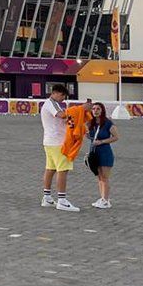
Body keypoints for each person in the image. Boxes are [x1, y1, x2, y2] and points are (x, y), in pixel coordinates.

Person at [41, 84, 79, 212]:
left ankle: (47, 197)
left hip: (49, 141)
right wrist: (79, 109)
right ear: (56, 93)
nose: (63, 99)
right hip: (58, 142)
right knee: (63, 170)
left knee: (50, 168)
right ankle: (62, 200)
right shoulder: (52, 104)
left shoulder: (48, 104)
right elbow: (62, 115)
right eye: (63, 96)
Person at [87, 102, 120, 209]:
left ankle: (106, 200)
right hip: (94, 152)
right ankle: (102, 198)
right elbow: (90, 136)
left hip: (105, 152)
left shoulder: (107, 123)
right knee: (99, 177)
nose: (95, 111)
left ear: (102, 111)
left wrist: (102, 141)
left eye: (98, 109)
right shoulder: (91, 123)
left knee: (105, 177)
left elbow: (116, 137)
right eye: (93, 109)